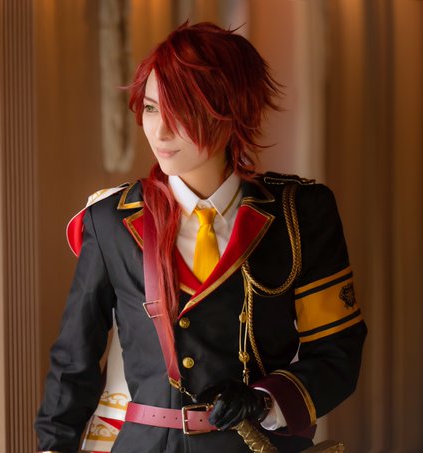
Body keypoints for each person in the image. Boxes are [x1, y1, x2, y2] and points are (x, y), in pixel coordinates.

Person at [35, 21, 367, 453]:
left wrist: (264, 400)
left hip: (255, 445)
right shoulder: (109, 221)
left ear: (232, 112)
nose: (160, 131)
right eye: (151, 108)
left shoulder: (299, 214)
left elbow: (338, 351)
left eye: (181, 112)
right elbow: (74, 362)